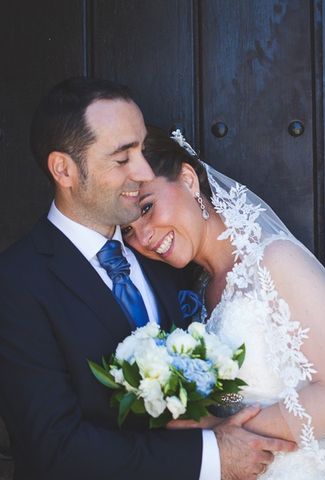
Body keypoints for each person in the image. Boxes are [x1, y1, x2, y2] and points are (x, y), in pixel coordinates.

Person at [0, 77, 295, 480]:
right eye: (123, 159)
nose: (142, 171)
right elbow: (55, 448)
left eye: (141, 148)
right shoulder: (17, 282)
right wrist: (210, 456)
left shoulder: (168, 258)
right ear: (64, 170)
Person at [122, 126, 325, 479]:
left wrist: (217, 430)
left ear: (187, 180)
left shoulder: (276, 261)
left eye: (148, 207)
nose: (144, 237)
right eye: (127, 231)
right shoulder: (197, 294)